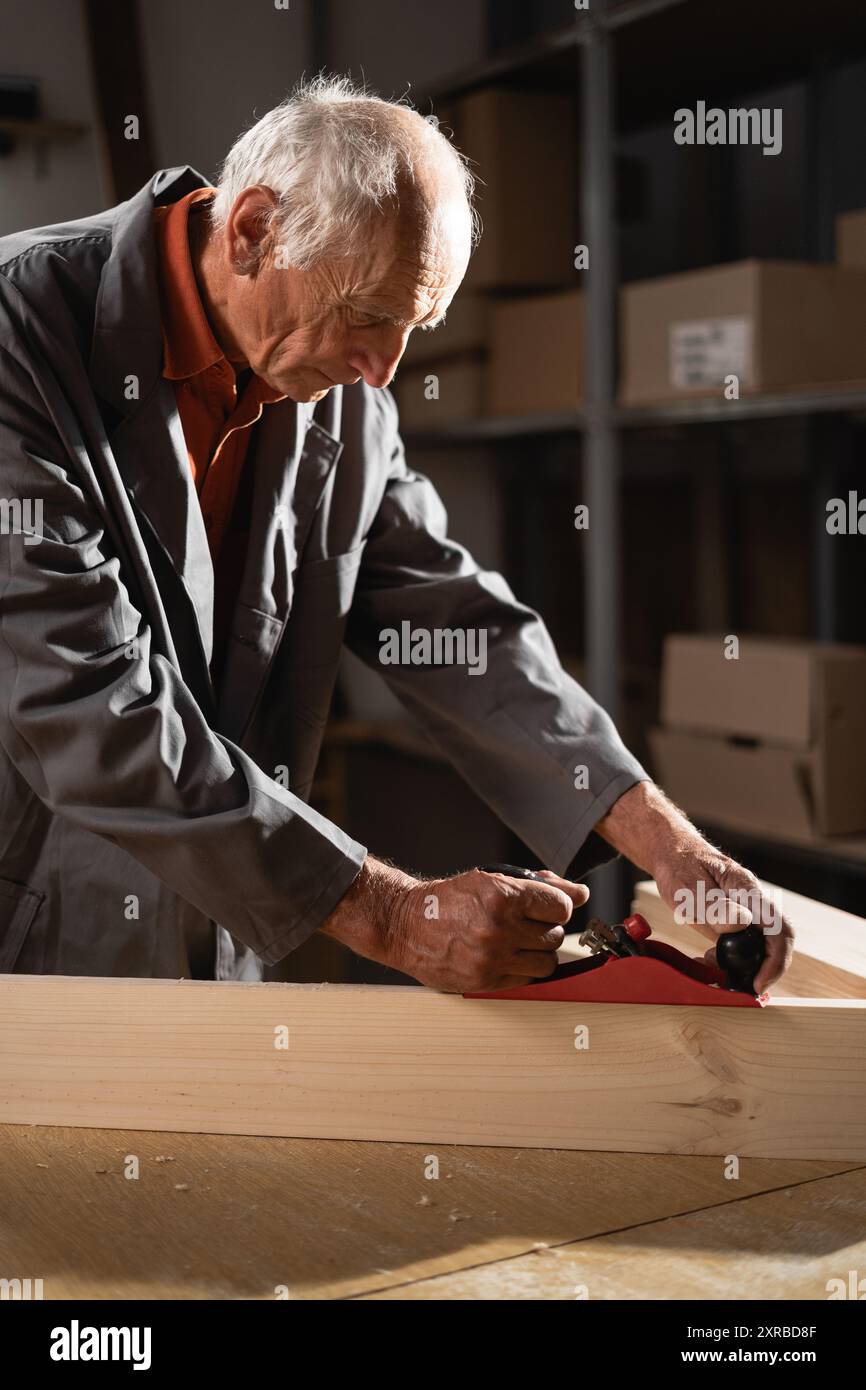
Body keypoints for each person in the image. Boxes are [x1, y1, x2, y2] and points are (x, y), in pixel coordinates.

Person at [0, 76, 791, 991]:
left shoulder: (338, 389)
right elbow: (83, 697)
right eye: (370, 316)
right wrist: (393, 916)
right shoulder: (20, 333)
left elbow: (458, 630)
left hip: (218, 939)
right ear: (254, 230)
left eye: (414, 327)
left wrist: (674, 852)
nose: (383, 373)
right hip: (28, 943)